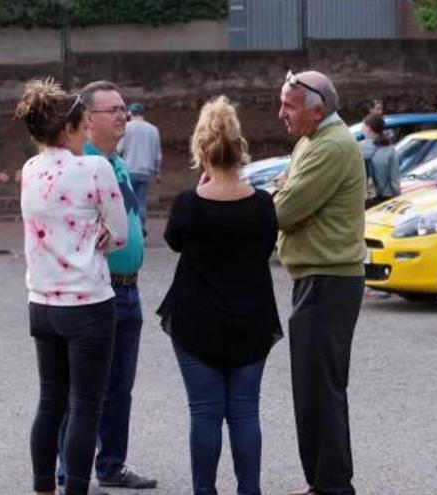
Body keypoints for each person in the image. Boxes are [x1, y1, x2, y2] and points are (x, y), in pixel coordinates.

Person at [158, 95, 282, 495]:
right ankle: (250, 490)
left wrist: (200, 191)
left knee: (205, 413)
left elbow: (174, 242)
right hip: (252, 319)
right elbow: (265, 248)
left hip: (196, 320)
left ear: (201, 148)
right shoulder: (263, 204)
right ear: (240, 148)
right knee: (245, 411)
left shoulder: (188, 205)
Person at [17, 79, 128, 495]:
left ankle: (43, 487)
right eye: (83, 127)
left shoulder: (30, 169)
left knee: (50, 402)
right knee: (86, 405)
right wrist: (99, 231)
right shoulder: (94, 168)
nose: (86, 135)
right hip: (87, 303)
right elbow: (118, 234)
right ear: (67, 129)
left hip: (42, 302)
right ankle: (76, 489)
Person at [57, 81, 157, 491]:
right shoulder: (80, 164)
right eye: (112, 110)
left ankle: (111, 464)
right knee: (81, 390)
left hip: (128, 289)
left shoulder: (116, 163)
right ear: (87, 120)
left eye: (122, 109)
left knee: (120, 388)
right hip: (96, 289)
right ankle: (68, 470)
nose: (122, 116)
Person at [274, 70, 366, 495]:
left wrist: (291, 202)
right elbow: (289, 201)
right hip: (316, 277)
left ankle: (331, 486)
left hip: (328, 279)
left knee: (320, 389)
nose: (281, 115)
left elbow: (283, 210)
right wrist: (291, 199)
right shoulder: (311, 143)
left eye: (288, 107)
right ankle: (323, 483)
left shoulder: (330, 146)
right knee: (312, 388)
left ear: (317, 109)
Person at [117, 102, 162, 226]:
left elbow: (119, 149)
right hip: (145, 171)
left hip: (128, 170)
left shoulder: (126, 128)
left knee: (127, 202)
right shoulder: (153, 130)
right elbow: (157, 155)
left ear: (130, 113)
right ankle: (141, 228)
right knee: (141, 202)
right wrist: (158, 173)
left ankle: (130, 229)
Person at [360, 114, 399, 209]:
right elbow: (394, 179)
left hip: (363, 198)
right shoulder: (390, 149)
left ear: (369, 128)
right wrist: (397, 196)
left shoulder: (357, 147)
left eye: (363, 125)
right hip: (385, 198)